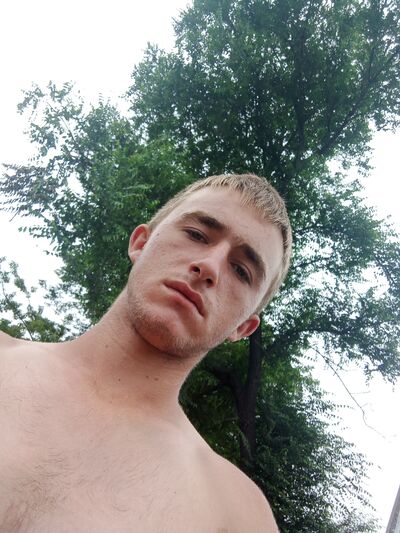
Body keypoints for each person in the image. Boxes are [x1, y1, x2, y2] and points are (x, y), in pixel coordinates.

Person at [0, 173, 292, 532]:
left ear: (243, 327)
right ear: (141, 242)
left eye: (242, 271)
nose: (209, 267)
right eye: (196, 234)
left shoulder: (236, 513)